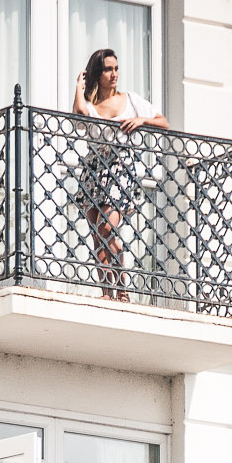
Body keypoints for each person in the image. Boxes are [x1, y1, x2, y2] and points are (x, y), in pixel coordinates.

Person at [71, 48, 168, 300]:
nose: (114, 74)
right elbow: (78, 116)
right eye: (107, 69)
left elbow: (163, 121)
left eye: (116, 68)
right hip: (93, 170)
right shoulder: (92, 105)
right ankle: (106, 291)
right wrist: (78, 87)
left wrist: (142, 121)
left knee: (107, 227)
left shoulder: (131, 100)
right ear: (97, 72)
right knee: (96, 234)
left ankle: (122, 289)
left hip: (120, 170)